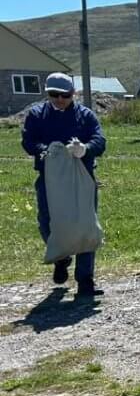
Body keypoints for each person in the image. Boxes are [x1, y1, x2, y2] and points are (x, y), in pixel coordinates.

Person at [20, 72, 107, 299]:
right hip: (50, 179)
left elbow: (100, 140)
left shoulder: (85, 116)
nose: (59, 99)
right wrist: (44, 150)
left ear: (73, 94)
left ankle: (85, 280)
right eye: (54, 95)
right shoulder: (37, 115)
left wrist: (85, 148)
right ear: (47, 94)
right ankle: (61, 257)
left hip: (82, 178)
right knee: (47, 221)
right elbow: (28, 141)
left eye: (65, 95)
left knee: (86, 225)